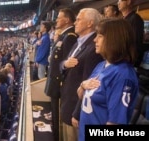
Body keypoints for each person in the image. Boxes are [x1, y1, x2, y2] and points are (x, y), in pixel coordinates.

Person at [77, 18, 139, 141]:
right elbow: (82, 95)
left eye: (100, 36)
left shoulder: (123, 75)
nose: (95, 40)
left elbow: (115, 124)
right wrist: (83, 85)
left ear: (114, 39)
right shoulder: (101, 65)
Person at [60, 8, 103, 141]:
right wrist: (64, 64)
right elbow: (63, 64)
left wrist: (77, 113)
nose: (75, 23)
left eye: (79, 19)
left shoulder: (93, 49)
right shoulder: (78, 42)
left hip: (75, 110)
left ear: (90, 23)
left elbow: (88, 84)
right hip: (67, 103)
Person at [44, 8, 78, 141]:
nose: (56, 20)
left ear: (67, 20)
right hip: (54, 80)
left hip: (59, 83)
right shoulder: (63, 36)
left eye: (59, 17)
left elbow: (66, 64)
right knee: (54, 115)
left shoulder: (70, 37)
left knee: (57, 117)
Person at [118, 0, 144, 68]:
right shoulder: (123, 19)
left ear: (128, 1)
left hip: (128, 61)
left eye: (121, 0)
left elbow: (136, 42)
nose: (118, 3)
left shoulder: (135, 19)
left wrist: (132, 61)